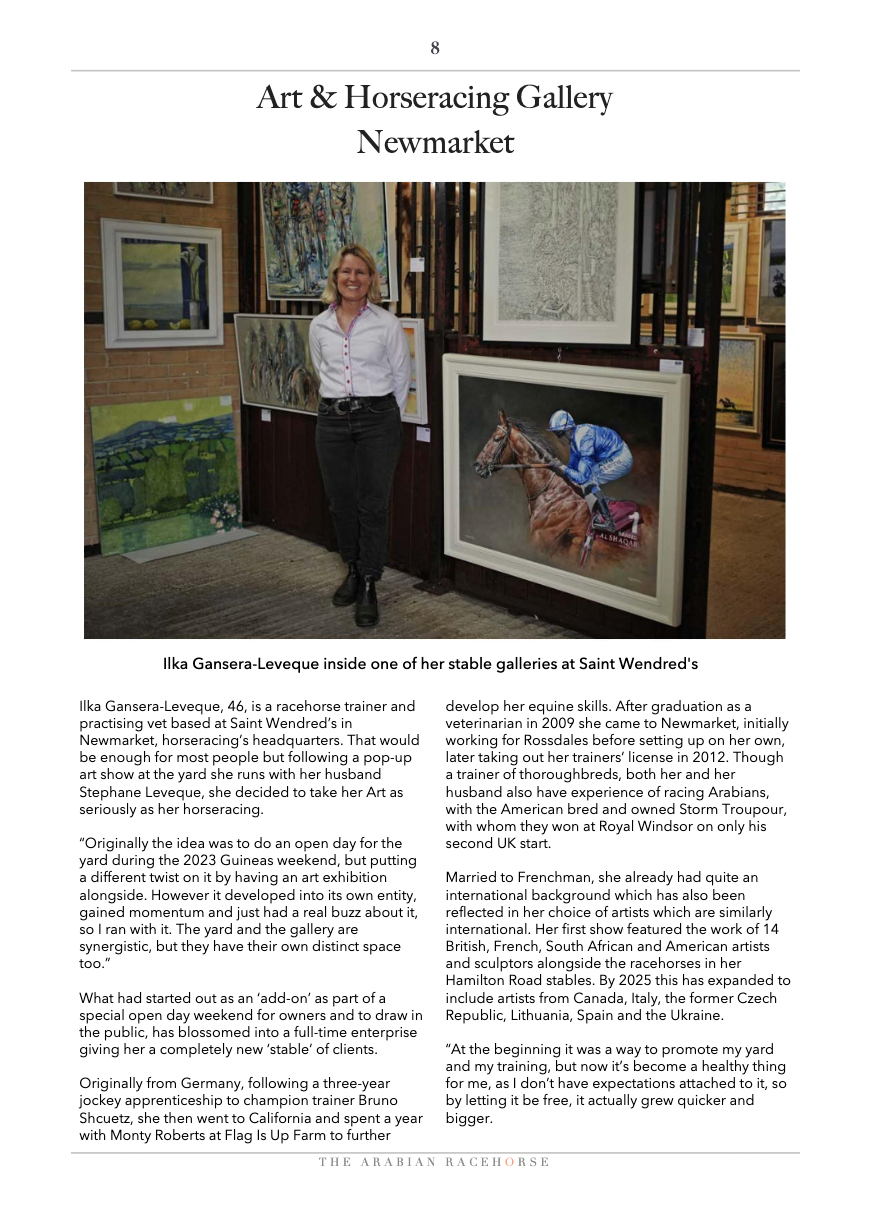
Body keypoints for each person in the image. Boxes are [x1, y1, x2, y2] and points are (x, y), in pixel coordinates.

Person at [309, 244, 411, 628]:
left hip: (377, 420)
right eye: (346, 271)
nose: (353, 278)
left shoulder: (386, 324)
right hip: (332, 421)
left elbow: (401, 377)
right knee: (340, 502)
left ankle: (369, 581)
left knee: (373, 504)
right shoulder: (319, 326)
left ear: (371, 280)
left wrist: (385, 418)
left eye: (361, 272)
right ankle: (351, 568)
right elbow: (322, 371)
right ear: (335, 277)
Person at [547, 410, 633, 533]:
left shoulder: (585, 438)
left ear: (568, 430)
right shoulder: (575, 441)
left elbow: (582, 477)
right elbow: (571, 467)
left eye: (559, 434)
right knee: (584, 479)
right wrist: (557, 468)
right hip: (611, 454)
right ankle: (603, 505)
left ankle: (609, 523)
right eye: (556, 434)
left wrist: (561, 467)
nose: (557, 438)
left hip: (621, 456)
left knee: (588, 479)